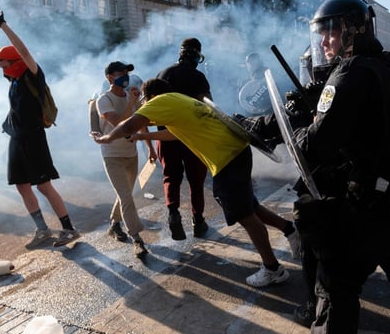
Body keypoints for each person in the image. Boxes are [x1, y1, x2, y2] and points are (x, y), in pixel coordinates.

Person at [93, 77, 293, 287]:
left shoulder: (158, 102)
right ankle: (291, 230)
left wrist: (105, 139)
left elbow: (128, 125)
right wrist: (143, 138)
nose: (144, 104)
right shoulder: (177, 99)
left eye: (144, 100)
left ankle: (273, 269)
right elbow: (173, 134)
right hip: (235, 151)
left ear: (150, 96)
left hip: (226, 157)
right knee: (249, 206)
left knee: (245, 215)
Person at [292, 0, 390, 334]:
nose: (322, 42)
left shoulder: (349, 73)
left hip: (366, 206)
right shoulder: (384, 66)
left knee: (335, 292)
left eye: (329, 32)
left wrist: (301, 122)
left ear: (353, 30)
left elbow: (315, 147)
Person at [0, 6, 80, 248]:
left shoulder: (32, 75)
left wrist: (3, 25)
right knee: (21, 185)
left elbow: (24, 51)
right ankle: (43, 230)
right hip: (16, 138)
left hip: (33, 137)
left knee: (44, 186)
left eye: (4, 64)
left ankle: (69, 229)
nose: (1, 67)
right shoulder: (14, 78)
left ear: (15, 62)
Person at [93, 61, 156, 258]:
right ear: (109, 77)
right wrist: (131, 103)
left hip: (131, 154)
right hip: (112, 155)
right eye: (120, 73)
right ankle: (137, 239)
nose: (125, 76)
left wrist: (150, 149)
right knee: (127, 197)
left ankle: (114, 224)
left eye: (126, 72)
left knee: (127, 194)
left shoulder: (132, 96)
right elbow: (120, 123)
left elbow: (141, 122)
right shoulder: (104, 100)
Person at [156, 38, 210, 241]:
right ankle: (198, 221)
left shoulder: (163, 74)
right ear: (197, 56)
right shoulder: (198, 77)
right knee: (196, 180)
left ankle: (173, 213)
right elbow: (207, 107)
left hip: (166, 135)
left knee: (170, 176)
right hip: (192, 137)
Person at [238, 52, 272, 117]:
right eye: (248, 62)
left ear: (259, 61)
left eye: (253, 61)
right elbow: (243, 103)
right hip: (261, 115)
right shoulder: (244, 82)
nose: (251, 64)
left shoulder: (268, 72)